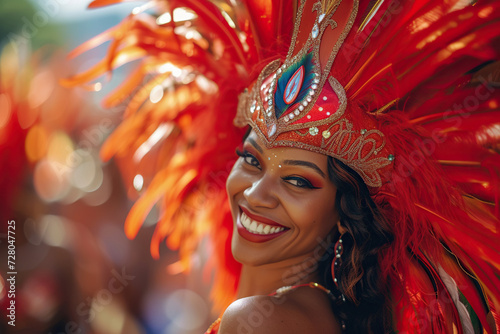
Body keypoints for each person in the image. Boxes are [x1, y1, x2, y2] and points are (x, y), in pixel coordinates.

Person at [66, 0, 500, 332]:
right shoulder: (314, 313)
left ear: (346, 216)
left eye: (297, 180)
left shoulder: (261, 320)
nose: (255, 193)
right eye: (252, 160)